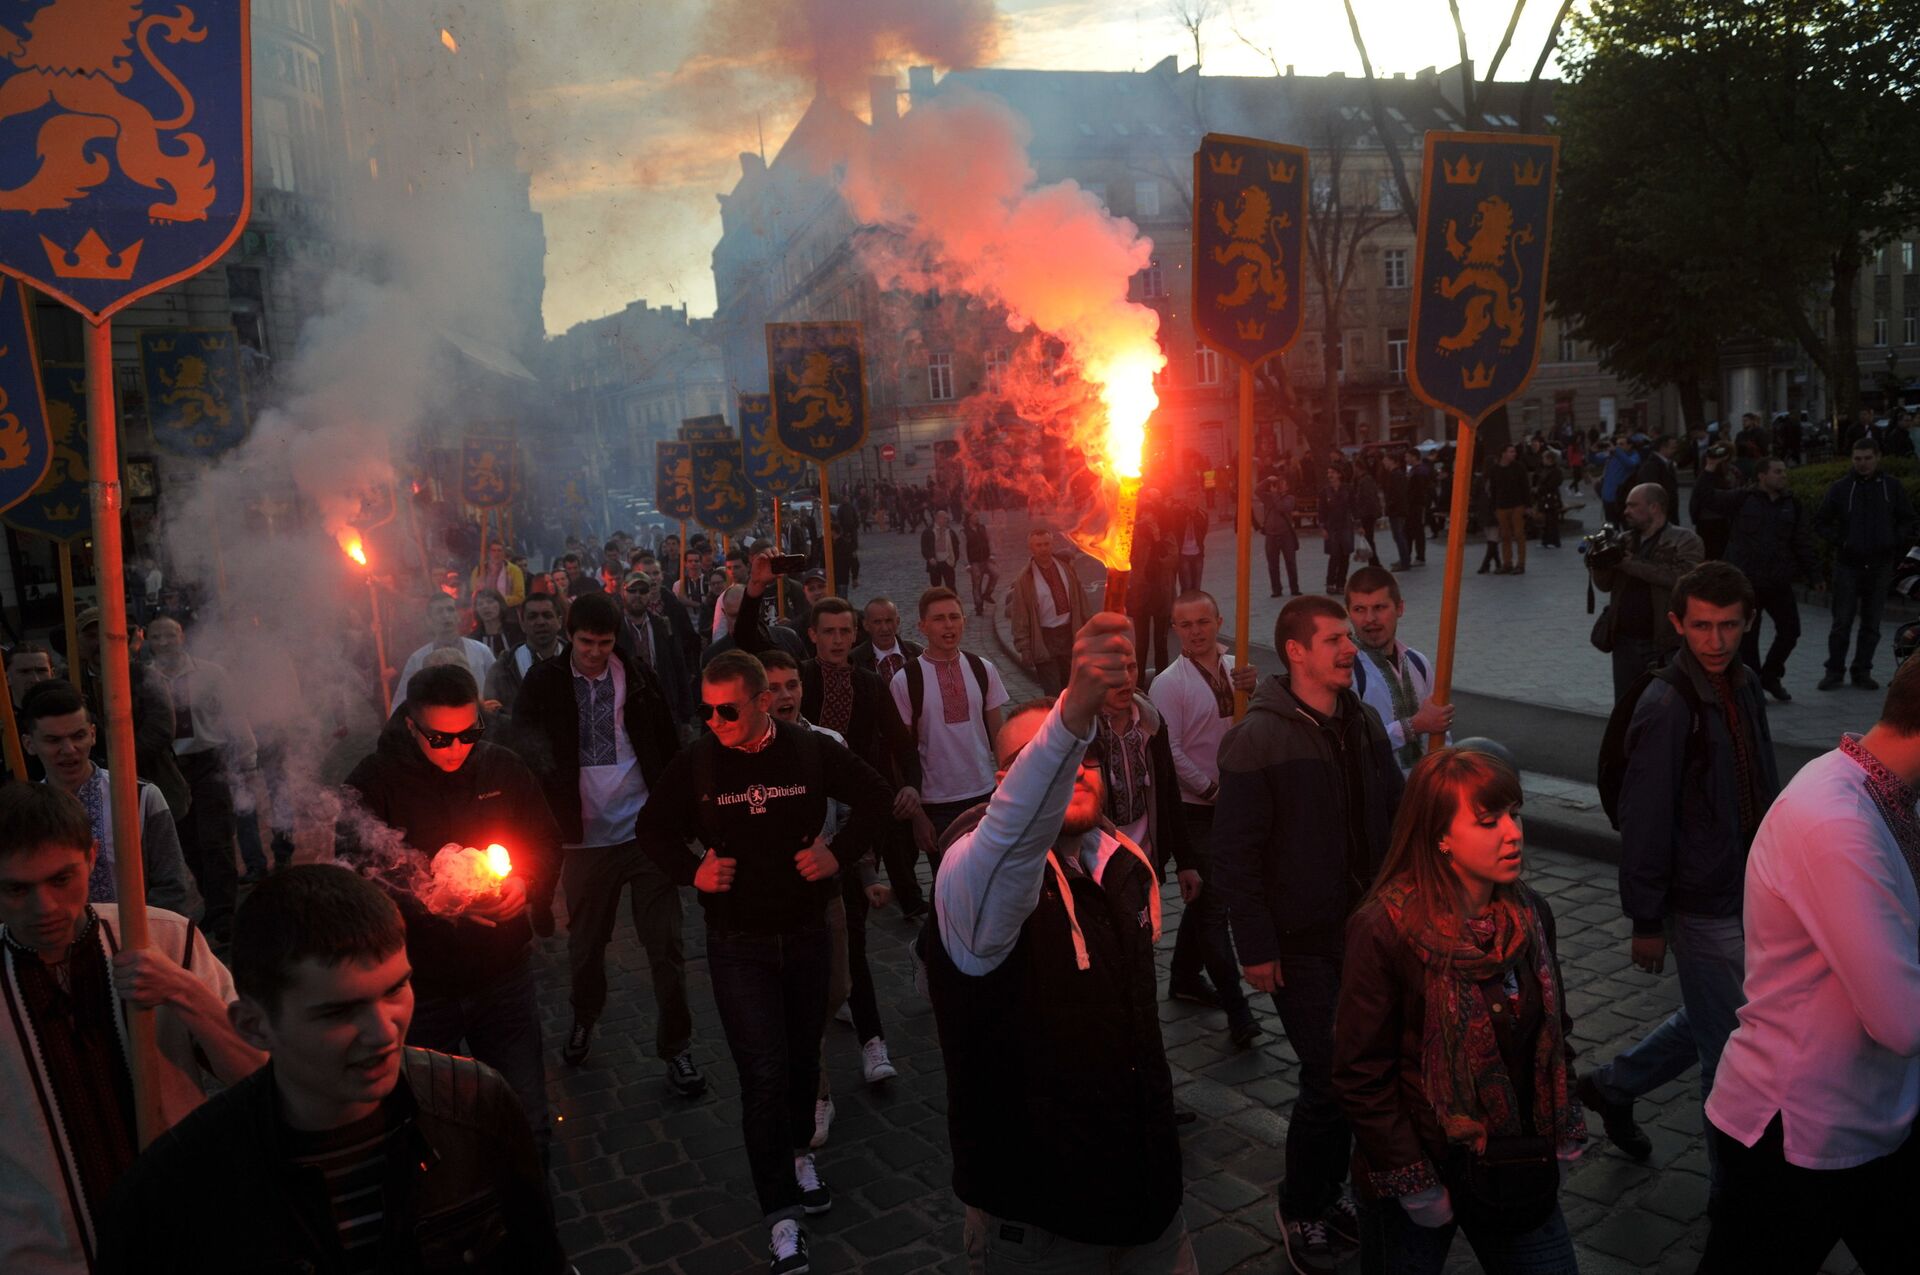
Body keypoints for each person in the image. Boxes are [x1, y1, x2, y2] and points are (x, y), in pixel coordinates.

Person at [98, 866, 565, 1274]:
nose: (384, 1032)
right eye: (339, 1012)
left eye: (396, 989)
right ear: (253, 1026)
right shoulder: (183, 1186)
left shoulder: (476, 1105)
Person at [927, 613, 1197, 1273]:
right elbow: (1013, 836)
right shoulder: (973, 877)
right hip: (1045, 1220)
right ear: (1000, 781)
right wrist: (1071, 716)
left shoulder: (1124, 865)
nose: (1071, 768)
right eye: (1031, 760)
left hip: (1154, 1202)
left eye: (1085, 756)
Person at [637, 651, 893, 1275]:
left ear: (759, 703)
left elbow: (878, 796)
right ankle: (780, 1218)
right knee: (762, 1074)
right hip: (737, 942)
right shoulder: (698, 760)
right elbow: (652, 828)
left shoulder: (807, 751)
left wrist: (838, 852)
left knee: (805, 1058)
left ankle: (801, 1153)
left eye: (727, 709)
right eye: (706, 709)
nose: (714, 720)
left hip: (805, 930)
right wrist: (692, 872)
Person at [1695, 660, 1920, 1273]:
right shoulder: (1837, 821)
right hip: (1799, 1132)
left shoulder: (1879, 793)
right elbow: (1902, 1023)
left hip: (1867, 1117)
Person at [1332, 748, 1588, 1275]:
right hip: (1423, 1169)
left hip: (1514, 1162)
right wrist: (1415, 1182)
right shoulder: (1385, 929)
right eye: (1488, 821)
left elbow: (1553, 1031)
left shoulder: (1530, 914)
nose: (1513, 833)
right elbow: (1361, 1074)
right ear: (1439, 836)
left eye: (1514, 814)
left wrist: (1557, 1125)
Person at [1213, 595, 1405, 1271]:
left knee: (1368, 1069)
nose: (1349, 648)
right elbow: (1234, 854)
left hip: (1369, 930)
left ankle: (1333, 1190)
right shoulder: (1257, 738)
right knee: (1330, 1077)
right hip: (1299, 938)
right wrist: (1256, 945)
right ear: (1295, 650)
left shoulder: (1363, 720)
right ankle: (1300, 1204)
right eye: (1333, 639)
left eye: (1349, 638)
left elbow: (1395, 806)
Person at [0, 782, 263, 1274]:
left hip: (184, 1237)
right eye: (17, 888)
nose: (45, 908)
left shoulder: (162, 937)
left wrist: (184, 992)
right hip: (46, 1258)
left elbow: (260, 1076)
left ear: (93, 856)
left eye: (62, 879)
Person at [1581, 563, 1778, 1198]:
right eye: (1701, 627)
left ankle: (1613, 1086)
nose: (1715, 641)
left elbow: (1764, 783)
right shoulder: (1668, 703)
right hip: (1702, 903)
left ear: (1748, 623)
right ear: (1677, 624)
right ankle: (1736, 1205)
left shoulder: (1744, 683)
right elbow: (1645, 817)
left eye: (1727, 626)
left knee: (1714, 1016)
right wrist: (1646, 920)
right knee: (1733, 1056)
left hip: (1750, 889)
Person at [338, 664, 560, 1154]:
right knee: (436, 1132)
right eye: (441, 739)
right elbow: (358, 881)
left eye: (469, 734)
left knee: (526, 1123)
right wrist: (433, 907)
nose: (458, 749)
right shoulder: (374, 784)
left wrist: (528, 882)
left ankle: (530, 1223)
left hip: (503, 978)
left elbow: (544, 839)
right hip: (422, 989)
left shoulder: (502, 767)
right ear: (412, 726)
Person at [513, 592, 699, 1089]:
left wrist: (679, 815)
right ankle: (583, 1016)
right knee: (587, 946)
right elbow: (525, 750)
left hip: (644, 833)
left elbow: (666, 744)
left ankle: (677, 1049)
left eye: (605, 642)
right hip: (582, 842)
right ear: (569, 637)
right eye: (586, 642)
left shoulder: (637, 678)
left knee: (666, 946)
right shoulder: (545, 681)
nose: (595, 652)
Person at [736, 555, 929, 946]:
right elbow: (749, 640)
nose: (838, 640)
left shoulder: (870, 683)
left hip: (857, 803)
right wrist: (755, 590)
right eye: (829, 632)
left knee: (853, 916)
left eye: (845, 632)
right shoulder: (799, 677)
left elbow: (900, 741)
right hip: (806, 800)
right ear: (813, 635)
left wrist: (911, 785)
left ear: (855, 634)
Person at [758, 649, 897, 1153]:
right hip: (772, 902)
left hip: (827, 892)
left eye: (792, 684)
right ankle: (814, 1093)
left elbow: (862, 806)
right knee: (796, 1001)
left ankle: (814, 1059)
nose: (784, 696)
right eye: (772, 687)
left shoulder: (827, 744)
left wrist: (849, 863)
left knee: (835, 987)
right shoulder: (739, 750)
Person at [1151, 591, 1260, 1049]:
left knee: (1207, 902)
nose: (1195, 631)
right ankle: (1239, 1010)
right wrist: (1211, 788)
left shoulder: (1239, 668)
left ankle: (1182, 977)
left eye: (1203, 622)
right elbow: (1169, 750)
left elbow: (1251, 726)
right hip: (1195, 809)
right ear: (1174, 630)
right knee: (1214, 908)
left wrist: (1254, 692)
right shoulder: (1167, 683)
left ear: (1218, 620)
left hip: (1234, 802)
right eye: (1185, 624)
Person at [20, 680, 199, 916]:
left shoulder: (140, 796)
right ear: (29, 744)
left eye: (78, 736)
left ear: (93, 735)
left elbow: (172, 884)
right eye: (53, 740)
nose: (70, 749)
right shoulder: (22, 813)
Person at [146, 615, 255, 943]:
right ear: (147, 641)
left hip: (210, 762)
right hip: (170, 767)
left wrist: (248, 756)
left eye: (171, 635)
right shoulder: (144, 679)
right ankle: (213, 903)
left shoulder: (211, 673)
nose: (165, 642)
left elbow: (235, 714)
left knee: (216, 840)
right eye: (157, 637)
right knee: (188, 842)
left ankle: (225, 915)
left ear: (182, 637)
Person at [891, 588, 1012, 846]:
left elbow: (999, 737)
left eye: (954, 617)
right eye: (938, 619)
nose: (948, 625)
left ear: (963, 622)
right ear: (922, 626)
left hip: (983, 794)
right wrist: (918, 816)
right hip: (935, 804)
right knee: (946, 882)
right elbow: (901, 752)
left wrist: (1007, 791)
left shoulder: (983, 669)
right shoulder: (906, 680)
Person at [1694, 454, 1815, 702]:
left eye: (1783, 471)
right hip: (1747, 582)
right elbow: (1706, 498)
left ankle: (1771, 675)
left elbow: (1801, 541)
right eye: (1777, 471)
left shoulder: (1791, 504)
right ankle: (1753, 684)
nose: (1783, 475)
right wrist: (1709, 469)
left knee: (1791, 631)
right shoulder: (1742, 498)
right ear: (1762, 476)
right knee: (1748, 638)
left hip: (1778, 581)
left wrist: (1814, 574)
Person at [1816, 437, 1918, 691]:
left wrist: (1893, 540)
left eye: (1867, 458)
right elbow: (1821, 521)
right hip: (1848, 563)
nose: (1863, 464)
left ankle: (1863, 670)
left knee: (1872, 623)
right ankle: (1834, 671)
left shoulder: (1891, 487)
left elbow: (1908, 519)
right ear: (1852, 459)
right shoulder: (1841, 488)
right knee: (1842, 622)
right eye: (1858, 459)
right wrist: (1841, 541)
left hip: (1880, 563)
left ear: (1877, 457)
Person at [1590, 483, 1706, 701]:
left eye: (1633, 506)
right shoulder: (1624, 540)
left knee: (1665, 708)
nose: (1626, 512)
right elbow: (1605, 585)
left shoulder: (1685, 540)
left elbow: (1684, 579)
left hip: (1664, 643)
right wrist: (1598, 562)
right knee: (1625, 710)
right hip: (1625, 643)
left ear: (1654, 507)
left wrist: (1628, 563)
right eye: (1626, 506)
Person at [1345, 566, 1455, 774]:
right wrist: (1414, 725)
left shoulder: (1418, 662)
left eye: (1380, 607)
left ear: (1400, 608)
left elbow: (1441, 733)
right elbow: (1352, 744)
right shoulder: (1346, 669)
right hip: (1377, 799)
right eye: (1360, 609)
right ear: (1348, 612)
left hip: (1424, 789)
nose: (1370, 619)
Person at [1008, 526, 1093, 696]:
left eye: (1046, 544)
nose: (1043, 549)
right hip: (1045, 638)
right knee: (1053, 691)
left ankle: (1074, 721)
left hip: (1070, 633)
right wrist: (1024, 648)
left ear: (1052, 544)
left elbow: (1081, 602)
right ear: (1031, 549)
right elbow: (1020, 616)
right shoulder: (1025, 580)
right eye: (1038, 545)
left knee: (1073, 689)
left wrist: (1090, 631)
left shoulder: (1066, 569)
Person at [618, 570, 694, 727]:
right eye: (632, 590)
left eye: (643, 590)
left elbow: (678, 667)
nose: (638, 595)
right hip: (627, 707)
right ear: (623, 591)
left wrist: (685, 716)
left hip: (662, 703)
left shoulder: (662, 625)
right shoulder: (614, 628)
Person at [393, 594, 495, 710]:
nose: (446, 615)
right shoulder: (418, 659)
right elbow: (402, 700)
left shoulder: (481, 650)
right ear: (429, 620)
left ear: (458, 616)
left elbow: (498, 686)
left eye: (450, 610)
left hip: (478, 719)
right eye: (439, 611)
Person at [485, 590, 566, 717]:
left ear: (559, 622)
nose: (540, 622)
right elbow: (491, 716)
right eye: (532, 616)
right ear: (522, 624)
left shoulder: (579, 661)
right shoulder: (504, 668)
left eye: (547, 615)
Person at [853, 595, 921, 684]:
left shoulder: (917, 652)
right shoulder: (855, 661)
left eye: (889, 621)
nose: (884, 628)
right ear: (866, 625)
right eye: (877, 622)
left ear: (897, 622)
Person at [1489, 443, 1531, 575]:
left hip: (1517, 505)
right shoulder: (1495, 469)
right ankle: (1507, 563)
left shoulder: (1519, 467)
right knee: (1505, 536)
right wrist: (1494, 506)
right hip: (1501, 506)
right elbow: (1493, 489)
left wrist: (1528, 505)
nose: (1514, 454)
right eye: (1510, 451)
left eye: (1514, 452)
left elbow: (1525, 486)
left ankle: (1521, 564)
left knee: (1519, 534)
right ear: (1503, 453)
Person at [1258, 475, 1303, 596]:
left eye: (1282, 483)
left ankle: (1294, 588)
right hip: (1271, 535)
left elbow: (1281, 508)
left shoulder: (1290, 498)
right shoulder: (1268, 497)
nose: (1279, 485)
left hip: (1286, 534)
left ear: (1287, 486)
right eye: (1278, 483)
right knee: (1273, 564)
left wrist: (1274, 495)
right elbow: (1257, 491)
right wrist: (1267, 480)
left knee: (1290, 562)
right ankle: (1276, 590)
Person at [1633, 433, 1683, 527]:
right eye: (1673, 448)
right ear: (1663, 448)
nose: (1675, 451)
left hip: (1667, 512)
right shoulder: (1651, 466)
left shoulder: (1667, 464)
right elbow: (1650, 492)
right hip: (1659, 514)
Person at [1319, 466, 1354, 592]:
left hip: (1345, 526)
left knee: (1345, 555)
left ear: (1339, 474)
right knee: (1334, 555)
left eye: (1332, 472)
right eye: (1328, 472)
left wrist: (1359, 525)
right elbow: (1321, 511)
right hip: (1332, 527)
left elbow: (1354, 506)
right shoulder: (1325, 491)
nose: (1330, 475)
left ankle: (1341, 584)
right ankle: (1330, 583)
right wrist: (1322, 527)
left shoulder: (1348, 489)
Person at [470, 539, 528, 610]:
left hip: (507, 611)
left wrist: (499, 601)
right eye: (493, 550)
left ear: (504, 553)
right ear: (489, 553)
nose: (496, 554)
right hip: (484, 611)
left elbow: (520, 596)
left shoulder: (515, 571)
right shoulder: (478, 570)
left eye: (499, 550)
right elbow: (473, 593)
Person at [963, 510, 998, 616]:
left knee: (996, 574)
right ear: (969, 518)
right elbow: (962, 549)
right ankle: (979, 606)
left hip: (986, 559)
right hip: (974, 562)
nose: (977, 518)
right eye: (974, 516)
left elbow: (990, 540)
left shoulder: (982, 528)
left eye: (977, 516)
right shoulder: (964, 531)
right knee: (977, 584)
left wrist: (992, 553)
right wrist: (966, 564)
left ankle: (987, 594)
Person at [923, 508, 964, 591]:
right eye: (944, 518)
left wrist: (954, 559)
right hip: (935, 563)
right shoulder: (928, 532)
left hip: (948, 561)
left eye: (947, 518)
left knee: (951, 586)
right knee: (936, 587)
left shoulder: (950, 532)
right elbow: (924, 547)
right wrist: (930, 557)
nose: (946, 520)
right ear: (938, 519)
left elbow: (956, 546)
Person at [1533, 449, 1565, 549]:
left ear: (1550, 459)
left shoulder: (1556, 471)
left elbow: (1552, 484)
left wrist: (1539, 489)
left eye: (1544, 458)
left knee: (1552, 520)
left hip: (1551, 498)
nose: (1542, 460)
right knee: (1546, 520)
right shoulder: (1544, 469)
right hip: (1544, 498)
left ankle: (1554, 541)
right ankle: (1546, 540)